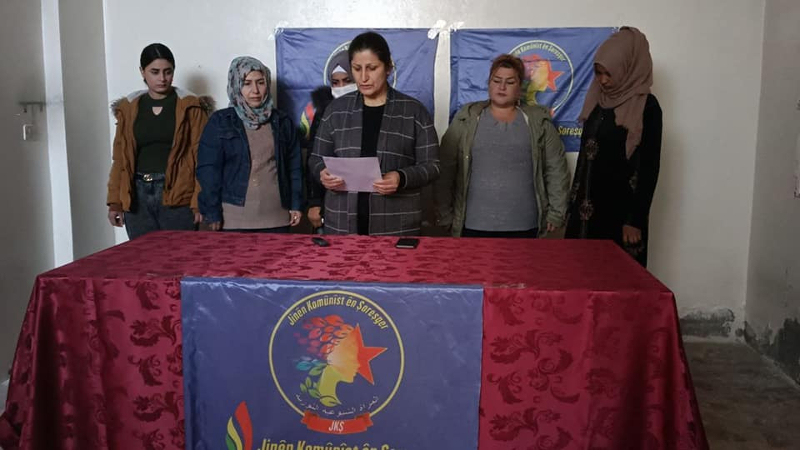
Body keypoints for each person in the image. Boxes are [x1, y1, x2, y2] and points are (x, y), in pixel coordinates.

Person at [309, 31, 440, 236]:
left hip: (396, 224)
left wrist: (401, 177)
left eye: (372, 68)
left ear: (388, 68)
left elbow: (432, 165)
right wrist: (323, 173)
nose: (363, 77)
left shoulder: (414, 111)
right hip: (341, 222)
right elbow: (316, 158)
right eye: (357, 69)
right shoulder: (336, 110)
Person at [435, 54, 570, 238]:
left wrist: (556, 212)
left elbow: (556, 169)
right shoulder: (466, 118)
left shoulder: (538, 121)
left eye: (510, 82)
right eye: (497, 80)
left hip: (526, 225)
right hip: (473, 224)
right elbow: (445, 169)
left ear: (520, 87)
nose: (502, 87)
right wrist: (444, 214)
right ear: (489, 83)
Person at [564, 27, 663, 267]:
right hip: (585, 215)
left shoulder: (647, 108)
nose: (603, 80)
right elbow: (586, 159)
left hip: (620, 216)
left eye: (609, 73)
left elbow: (649, 167)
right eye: (598, 73)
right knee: (578, 275)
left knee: (617, 279)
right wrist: (572, 207)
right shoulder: (597, 101)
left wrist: (635, 220)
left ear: (627, 68)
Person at [106, 43, 211, 239]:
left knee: (179, 254)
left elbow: (203, 158)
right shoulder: (128, 108)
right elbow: (120, 159)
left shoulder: (191, 106)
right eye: (155, 72)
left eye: (167, 72)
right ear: (142, 72)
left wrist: (199, 202)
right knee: (142, 255)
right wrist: (115, 202)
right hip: (137, 196)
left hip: (178, 194)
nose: (162, 78)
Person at [196, 57, 303, 233]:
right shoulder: (220, 122)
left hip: (277, 217)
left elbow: (294, 168)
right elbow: (208, 171)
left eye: (260, 82)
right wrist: (212, 211)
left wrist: (296, 204)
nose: (255, 90)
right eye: (247, 83)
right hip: (233, 220)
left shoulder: (282, 122)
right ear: (236, 86)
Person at [305, 50, 358, 231]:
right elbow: (314, 158)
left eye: (347, 81)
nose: (341, 87)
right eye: (336, 82)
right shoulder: (324, 113)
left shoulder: (376, 108)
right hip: (332, 199)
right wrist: (315, 201)